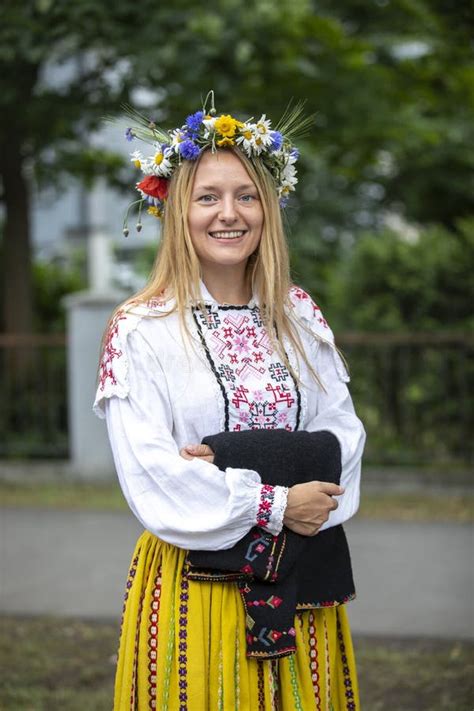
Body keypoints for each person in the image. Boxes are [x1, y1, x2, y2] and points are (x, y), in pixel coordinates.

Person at [94, 95, 365, 710]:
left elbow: (342, 436)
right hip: (197, 583)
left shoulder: (297, 315)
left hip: (301, 574)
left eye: (246, 196)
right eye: (208, 197)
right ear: (177, 210)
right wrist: (274, 500)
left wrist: (245, 471)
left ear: (268, 209)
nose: (229, 214)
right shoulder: (143, 328)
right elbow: (153, 471)